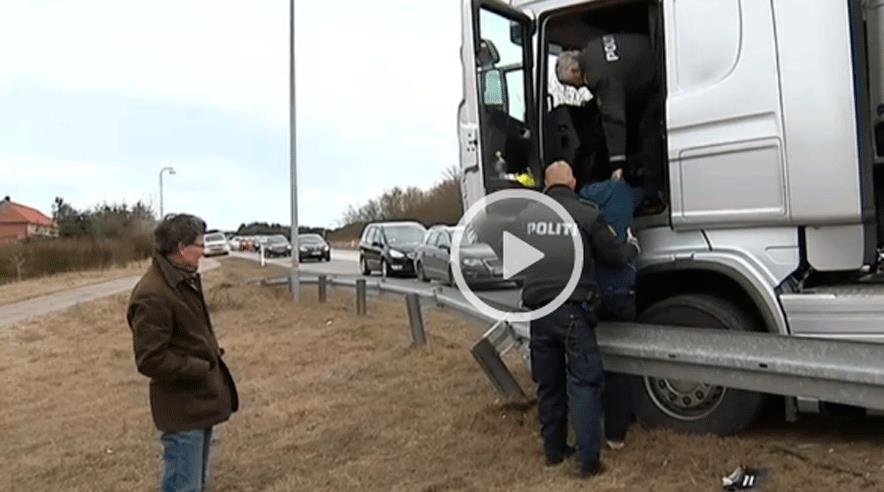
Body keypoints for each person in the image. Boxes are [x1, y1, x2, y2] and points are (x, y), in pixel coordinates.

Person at [517, 161, 640, 477]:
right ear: (572, 182)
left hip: (539, 312)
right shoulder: (586, 213)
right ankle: (588, 462)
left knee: (549, 385)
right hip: (573, 310)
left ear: (545, 185)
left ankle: (554, 453)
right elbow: (611, 255)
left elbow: (515, 266)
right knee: (584, 383)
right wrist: (631, 247)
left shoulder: (527, 216)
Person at [127, 214, 239, 491]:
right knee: (184, 487)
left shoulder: (183, 280)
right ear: (180, 248)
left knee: (198, 484)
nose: (203, 251)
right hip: (181, 410)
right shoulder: (152, 294)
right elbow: (150, 359)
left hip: (200, 403)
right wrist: (198, 368)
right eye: (199, 245)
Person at [556, 32, 665, 215]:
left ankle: (653, 197)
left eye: (572, 84)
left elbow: (614, 118)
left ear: (575, 71)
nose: (576, 88)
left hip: (659, 79)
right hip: (653, 59)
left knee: (648, 132)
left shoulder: (599, 75)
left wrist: (617, 164)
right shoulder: (592, 48)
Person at [579, 177, 643, 449]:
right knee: (620, 365)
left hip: (592, 297)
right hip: (619, 294)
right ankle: (617, 433)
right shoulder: (624, 191)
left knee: (592, 362)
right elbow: (616, 255)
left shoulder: (584, 208)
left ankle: (594, 423)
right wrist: (633, 247)